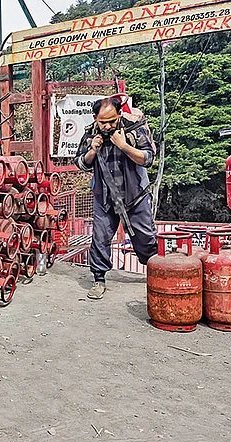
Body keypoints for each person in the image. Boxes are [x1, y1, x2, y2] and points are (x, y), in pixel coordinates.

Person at [75, 96, 158, 299]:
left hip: (135, 194)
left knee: (145, 238)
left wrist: (123, 146)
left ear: (119, 114)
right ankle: (99, 279)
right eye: (103, 122)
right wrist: (92, 151)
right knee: (100, 239)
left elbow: (148, 158)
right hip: (104, 196)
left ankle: (157, 275)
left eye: (112, 121)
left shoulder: (134, 127)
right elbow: (80, 163)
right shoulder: (90, 134)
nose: (108, 125)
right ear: (95, 118)